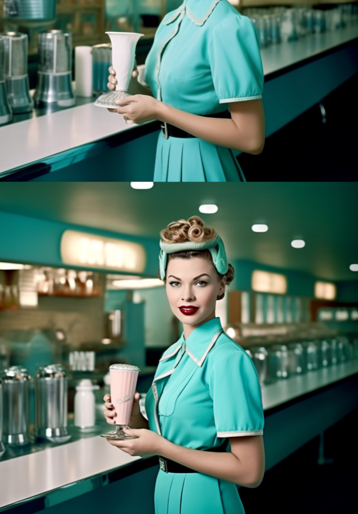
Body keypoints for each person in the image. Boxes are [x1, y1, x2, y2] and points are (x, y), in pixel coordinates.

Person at [103, 216, 265, 514]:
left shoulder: (227, 359)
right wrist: (133, 421)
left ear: (220, 286)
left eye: (200, 282)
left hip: (207, 500)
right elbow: (168, 436)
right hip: (165, 493)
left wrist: (160, 448)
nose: (186, 296)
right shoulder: (172, 354)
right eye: (175, 283)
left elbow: (250, 472)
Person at [107, 0, 265, 181]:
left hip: (206, 165)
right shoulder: (170, 21)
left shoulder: (227, 26)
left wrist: (158, 110)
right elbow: (164, 98)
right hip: (165, 155)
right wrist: (131, 89)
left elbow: (251, 139)